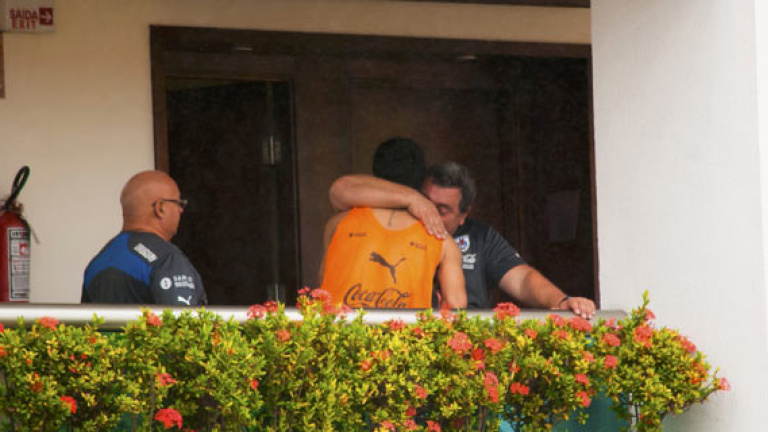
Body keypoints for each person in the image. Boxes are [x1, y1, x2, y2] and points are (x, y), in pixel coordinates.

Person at [330, 157, 595, 318]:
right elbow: (341, 190)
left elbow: (523, 279)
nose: (429, 213)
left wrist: (561, 301)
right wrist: (410, 199)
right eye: (425, 202)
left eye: (442, 210)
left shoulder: (480, 238)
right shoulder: (400, 220)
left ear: (463, 215)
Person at [319, 138, 466, 309]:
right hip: (405, 327)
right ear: (422, 180)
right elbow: (456, 305)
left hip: (340, 326)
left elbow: (322, 285)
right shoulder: (441, 238)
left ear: (375, 177)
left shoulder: (337, 224)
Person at [81, 170, 207, 306]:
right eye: (178, 203)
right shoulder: (166, 259)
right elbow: (181, 319)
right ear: (160, 208)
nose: (180, 210)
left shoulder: (97, 263)